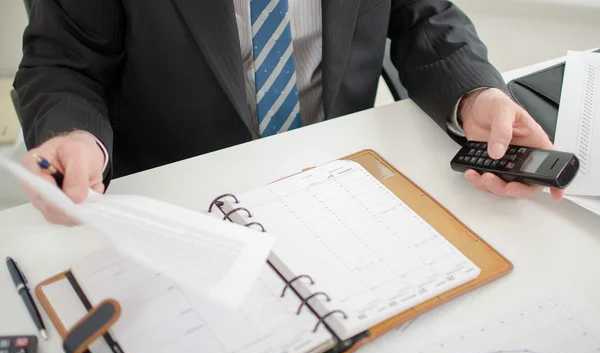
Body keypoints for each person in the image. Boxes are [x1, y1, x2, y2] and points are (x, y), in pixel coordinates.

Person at [14, 0, 562, 225]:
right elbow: (64, 62)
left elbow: (424, 19)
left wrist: (476, 97)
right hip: (184, 201)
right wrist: (76, 135)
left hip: (342, 182)